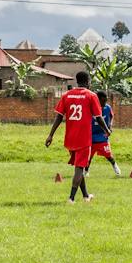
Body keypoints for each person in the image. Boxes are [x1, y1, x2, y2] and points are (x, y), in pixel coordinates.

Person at [46, 71, 101, 202]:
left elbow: (59, 116)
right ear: (88, 81)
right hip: (84, 138)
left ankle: (86, 196)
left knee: (79, 167)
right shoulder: (91, 96)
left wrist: (50, 135)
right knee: (79, 168)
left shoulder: (66, 95)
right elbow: (98, 117)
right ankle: (71, 198)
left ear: (77, 81)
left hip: (70, 138)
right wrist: (107, 130)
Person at [92, 90, 123, 177]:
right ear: (98, 100)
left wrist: (110, 126)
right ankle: (86, 171)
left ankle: (115, 166)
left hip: (103, 135)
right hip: (91, 135)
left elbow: (112, 116)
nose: (105, 103)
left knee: (108, 155)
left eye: (106, 101)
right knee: (88, 157)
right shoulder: (91, 108)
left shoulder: (107, 108)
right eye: (103, 101)